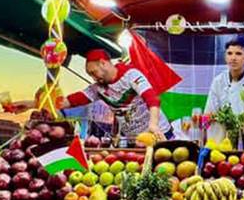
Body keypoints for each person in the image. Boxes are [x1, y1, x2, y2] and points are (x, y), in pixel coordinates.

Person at [16, 49, 173, 140]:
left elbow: (152, 99)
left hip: (159, 133)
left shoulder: (131, 75)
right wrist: (31, 104)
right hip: (134, 139)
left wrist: (153, 125)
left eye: (93, 72)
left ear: (103, 63)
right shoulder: (98, 88)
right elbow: (66, 102)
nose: (93, 77)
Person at [205, 39, 244, 117]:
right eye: (229, 53)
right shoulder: (218, 81)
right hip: (222, 128)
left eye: (238, 54)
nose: (233, 58)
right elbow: (209, 113)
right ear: (225, 57)